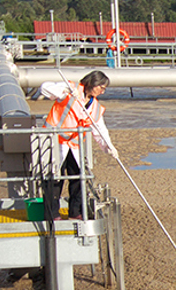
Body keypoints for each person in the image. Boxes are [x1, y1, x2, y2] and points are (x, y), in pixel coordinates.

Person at [37, 70, 117, 220]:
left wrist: (109, 147)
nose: (102, 91)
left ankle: (75, 211)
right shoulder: (70, 90)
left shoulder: (95, 107)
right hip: (55, 143)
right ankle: (52, 214)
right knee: (54, 179)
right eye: (100, 86)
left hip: (75, 146)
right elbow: (45, 88)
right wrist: (65, 90)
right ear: (92, 83)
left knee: (79, 178)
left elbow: (99, 130)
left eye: (104, 88)